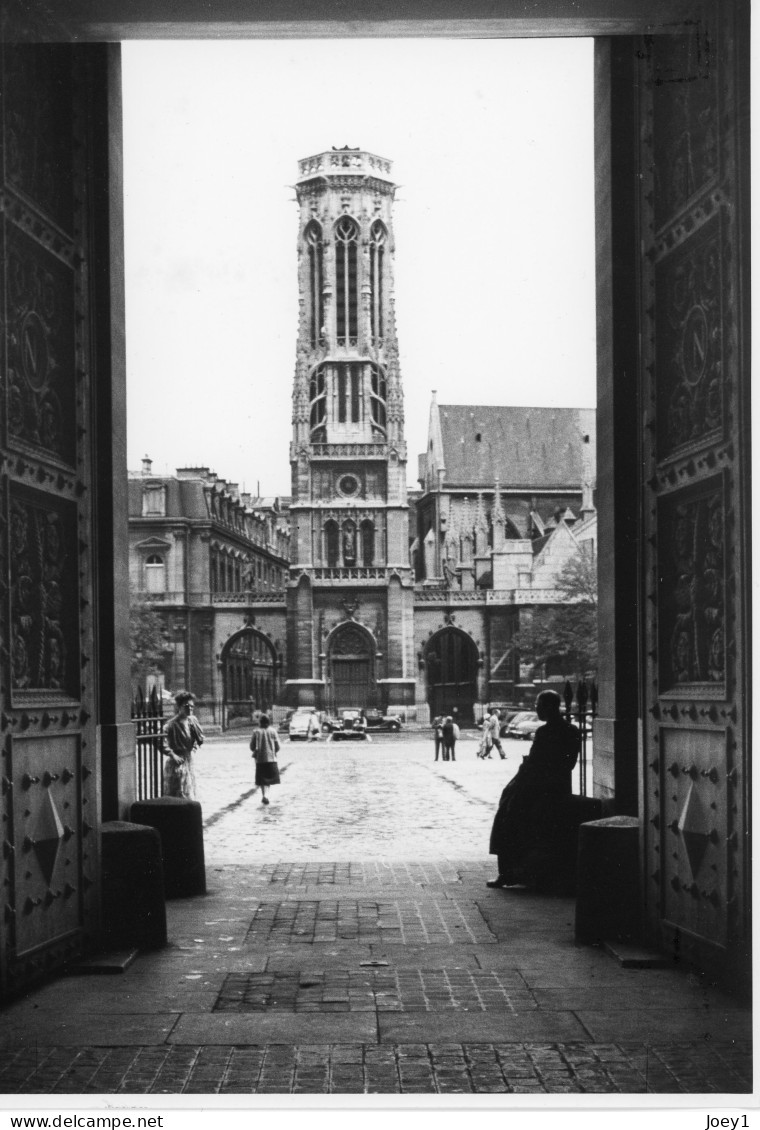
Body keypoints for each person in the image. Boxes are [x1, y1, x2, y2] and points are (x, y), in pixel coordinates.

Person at [487, 689, 580, 888]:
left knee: (506, 817)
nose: (536, 708)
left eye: (538, 705)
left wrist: (518, 781)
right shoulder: (572, 731)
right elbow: (568, 763)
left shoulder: (544, 732)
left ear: (548, 707)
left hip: (537, 787)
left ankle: (507, 873)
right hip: (558, 787)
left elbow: (535, 763)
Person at [162, 690, 204, 799]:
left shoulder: (192, 721)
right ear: (179, 707)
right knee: (178, 792)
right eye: (186, 706)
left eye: (191, 706)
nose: (190, 709)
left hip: (189, 760)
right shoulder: (171, 724)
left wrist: (193, 750)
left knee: (190, 790)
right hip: (176, 762)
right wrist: (172, 755)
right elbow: (160, 741)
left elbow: (199, 739)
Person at [250, 713, 281, 805]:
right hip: (271, 758)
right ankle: (266, 795)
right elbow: (278, 746)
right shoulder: (273, 731)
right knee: (269, 779)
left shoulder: (256, 732)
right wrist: (274, 751)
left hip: (260, 759)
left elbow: (252, 746)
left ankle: (264, 795)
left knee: (263, 779)